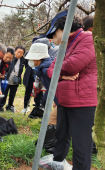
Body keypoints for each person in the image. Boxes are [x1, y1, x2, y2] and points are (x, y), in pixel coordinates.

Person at [47, 16, 97, 170]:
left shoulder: (87, 39)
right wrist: (61, 75)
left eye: (54, 34)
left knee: (81, 142)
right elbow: (50, 71)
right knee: (61, 135)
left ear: (63, 29)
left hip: (82, 101)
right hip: (65, 99)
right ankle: (58, 162)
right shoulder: (66, 45)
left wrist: (60, 72)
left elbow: (72, 66)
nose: (53, 38)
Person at [0, 45, 26, 113]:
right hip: (7, 79)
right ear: (15, 51)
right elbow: (6, 69)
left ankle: (10, 105)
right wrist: (4, 75)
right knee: (4, 92)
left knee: (12, 94)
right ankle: (1, 106)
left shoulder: (23, 61)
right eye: (18, 52)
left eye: (21, 53)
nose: (19, 54)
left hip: (15, 81)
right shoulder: (10, 59)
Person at [0, 46, 14, 112]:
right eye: (7, 57)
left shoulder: (10, 63)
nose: (8, 59)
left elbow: (9, 72)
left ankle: (0, 106)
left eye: (10, 58)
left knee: (3, 92)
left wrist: (4, 76)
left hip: (2, 79)